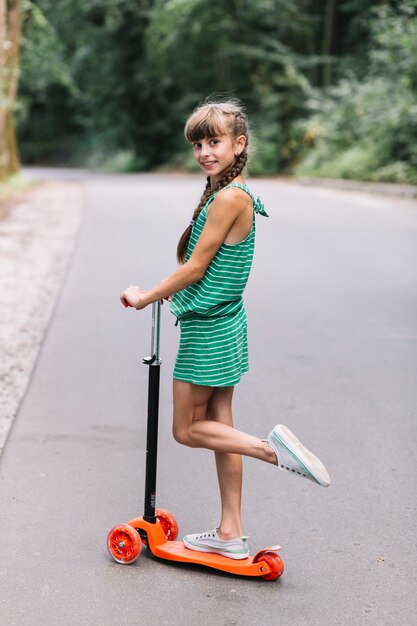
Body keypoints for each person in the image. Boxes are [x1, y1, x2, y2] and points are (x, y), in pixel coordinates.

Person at [120, 99, 330, 561]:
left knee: (185, 429)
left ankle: (273, 452)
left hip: (209, 328)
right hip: (226, 323)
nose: (204, 151)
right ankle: (231, 532)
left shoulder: (229, 198)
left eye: (213, 141)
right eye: (198, 143)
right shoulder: (233, 195)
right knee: (219, 424)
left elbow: (195, 269)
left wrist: (146, 296)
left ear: (239, 144)